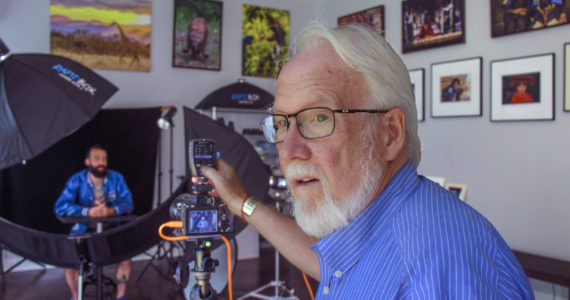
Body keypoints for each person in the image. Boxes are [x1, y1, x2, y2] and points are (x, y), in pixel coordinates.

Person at [201, 22, 534, 299]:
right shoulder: (380, 221)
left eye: (318, 118)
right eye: (280, 123)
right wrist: (240, 201)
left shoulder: (434, 274)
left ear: (389, 133)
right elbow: (335, 266)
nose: (287, 151)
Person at [54, 145, 134, 300]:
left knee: (126, 259)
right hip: (83, 231)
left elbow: (128, 203)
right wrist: (87, 212)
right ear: (87, 162)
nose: (101, 162)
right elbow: (61, 206)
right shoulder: (76, 180)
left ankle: (121, 297)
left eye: (104, 159)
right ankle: (76, 297)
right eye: (97, 159)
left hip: (111, 230)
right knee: (70, 265)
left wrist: (110, 211)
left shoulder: (117, 178)